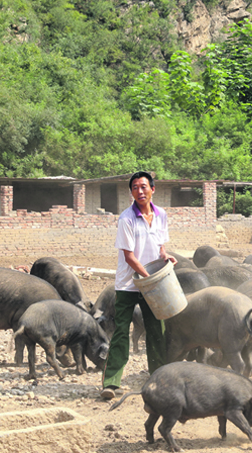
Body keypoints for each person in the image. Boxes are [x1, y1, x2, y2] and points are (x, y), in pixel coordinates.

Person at [101, 171, 176, 400]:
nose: (140, 191)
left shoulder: (161, 214)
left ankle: (159, 377)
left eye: (144, 187)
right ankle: (111, 383)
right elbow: (129, 257)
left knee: (156, 330)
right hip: (128, 285)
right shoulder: (126, 219)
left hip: (151, 282)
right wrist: (147, 278)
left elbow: (160, 246)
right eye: (135, 188)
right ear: (131, 192)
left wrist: (166, 257)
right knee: (121, 332)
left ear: (153, 189)